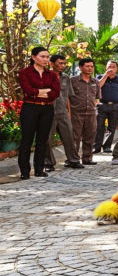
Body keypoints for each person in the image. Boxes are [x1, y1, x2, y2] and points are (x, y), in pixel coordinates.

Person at [17, 46, 60, 179]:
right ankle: (25, 171)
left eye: (47, 57)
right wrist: (43, 91)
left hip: (47, 109)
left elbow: (55, 93)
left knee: (43, 140)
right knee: (27, 140)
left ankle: (39, 169)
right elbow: (28, 91)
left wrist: (37, 92)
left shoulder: (52, 74)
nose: (45, 59)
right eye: (42, 56)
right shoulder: (24, 73)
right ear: (33, 57)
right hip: (30, 108)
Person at [44, 54, 83, 170]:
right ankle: (48, 163)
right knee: (47, 139)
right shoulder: (45, 76)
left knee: (69, 137)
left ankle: (73, 160)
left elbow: (68, 97)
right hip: (48, 112)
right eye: (60, 63)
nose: (63, 66)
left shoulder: (66, 78)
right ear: (51, 64)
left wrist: (69, 113)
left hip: (63, 112)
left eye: (64, 63)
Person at [69, 58, 101, 165]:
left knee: (90, 136)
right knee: (74, 137)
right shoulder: (72, 80)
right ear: (81, 67)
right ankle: (73, 159)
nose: (90, 68)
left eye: (92, 66)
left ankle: (87, 158)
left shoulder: (95, 82)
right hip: (76, 113)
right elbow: (67, 97)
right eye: (87, 66)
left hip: (91, 114)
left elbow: (97, 97)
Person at [94, 60, 118, 154]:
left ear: (116, 69)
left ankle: (107, 146)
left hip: (114, 105)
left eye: (113, 67)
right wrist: (105, 75)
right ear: (106, 67)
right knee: (99, 126)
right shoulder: (99, 77)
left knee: (112, 127)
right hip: (102, 105)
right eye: (109, 66)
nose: (111, 68)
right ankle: (96, 147)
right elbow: (98, 87)